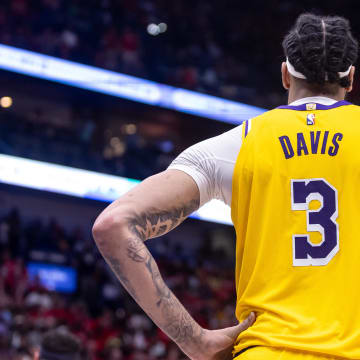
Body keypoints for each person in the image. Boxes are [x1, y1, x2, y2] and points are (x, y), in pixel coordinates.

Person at [92, 13, 359, 360]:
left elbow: (112, 225)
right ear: (351, 79)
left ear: (284, 74)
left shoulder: (238, 144)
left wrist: (194, 340)